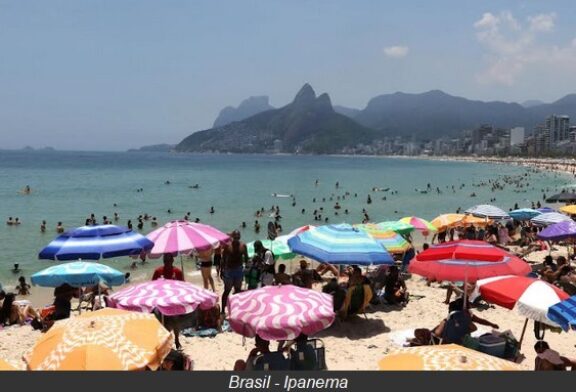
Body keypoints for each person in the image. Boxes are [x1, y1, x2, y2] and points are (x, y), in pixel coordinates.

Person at [221, 230, 248, 311]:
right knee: (227, 290)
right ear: (232, 237)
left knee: (238, 290)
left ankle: (236, 309)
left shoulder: (243, 246)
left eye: (237, 237)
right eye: (235, 237)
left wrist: (247, 268)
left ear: (239, 237)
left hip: (239, 270)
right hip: (229, 270)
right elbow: (223, 259)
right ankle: (223, 310)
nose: (236, 239)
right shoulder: (227, 246)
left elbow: (246, 258)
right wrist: (222, 271)